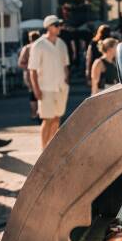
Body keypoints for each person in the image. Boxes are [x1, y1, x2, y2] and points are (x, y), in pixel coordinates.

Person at [28, 15, 70, 150]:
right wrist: (36, 90)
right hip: (45, 88)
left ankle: (51, 150)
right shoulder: (38, 45)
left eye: (60, 25)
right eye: (57, 25)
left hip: (61, 87)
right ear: (49, 27)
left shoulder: (61, 43)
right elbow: (32, 70)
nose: (59, 27)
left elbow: (65, 65)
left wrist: (66, 80)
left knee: (57, 118)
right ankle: (43, 150)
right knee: (47, 120)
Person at [18, 30, 41, 121]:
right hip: (41, 74)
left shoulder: (26, 48)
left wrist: (29, 67)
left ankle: (34, 114)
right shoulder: (42, 47)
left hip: (30, 74)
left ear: (30, 38)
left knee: (33, 94)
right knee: (40, 93)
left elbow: (20, 63)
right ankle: (40, 113)